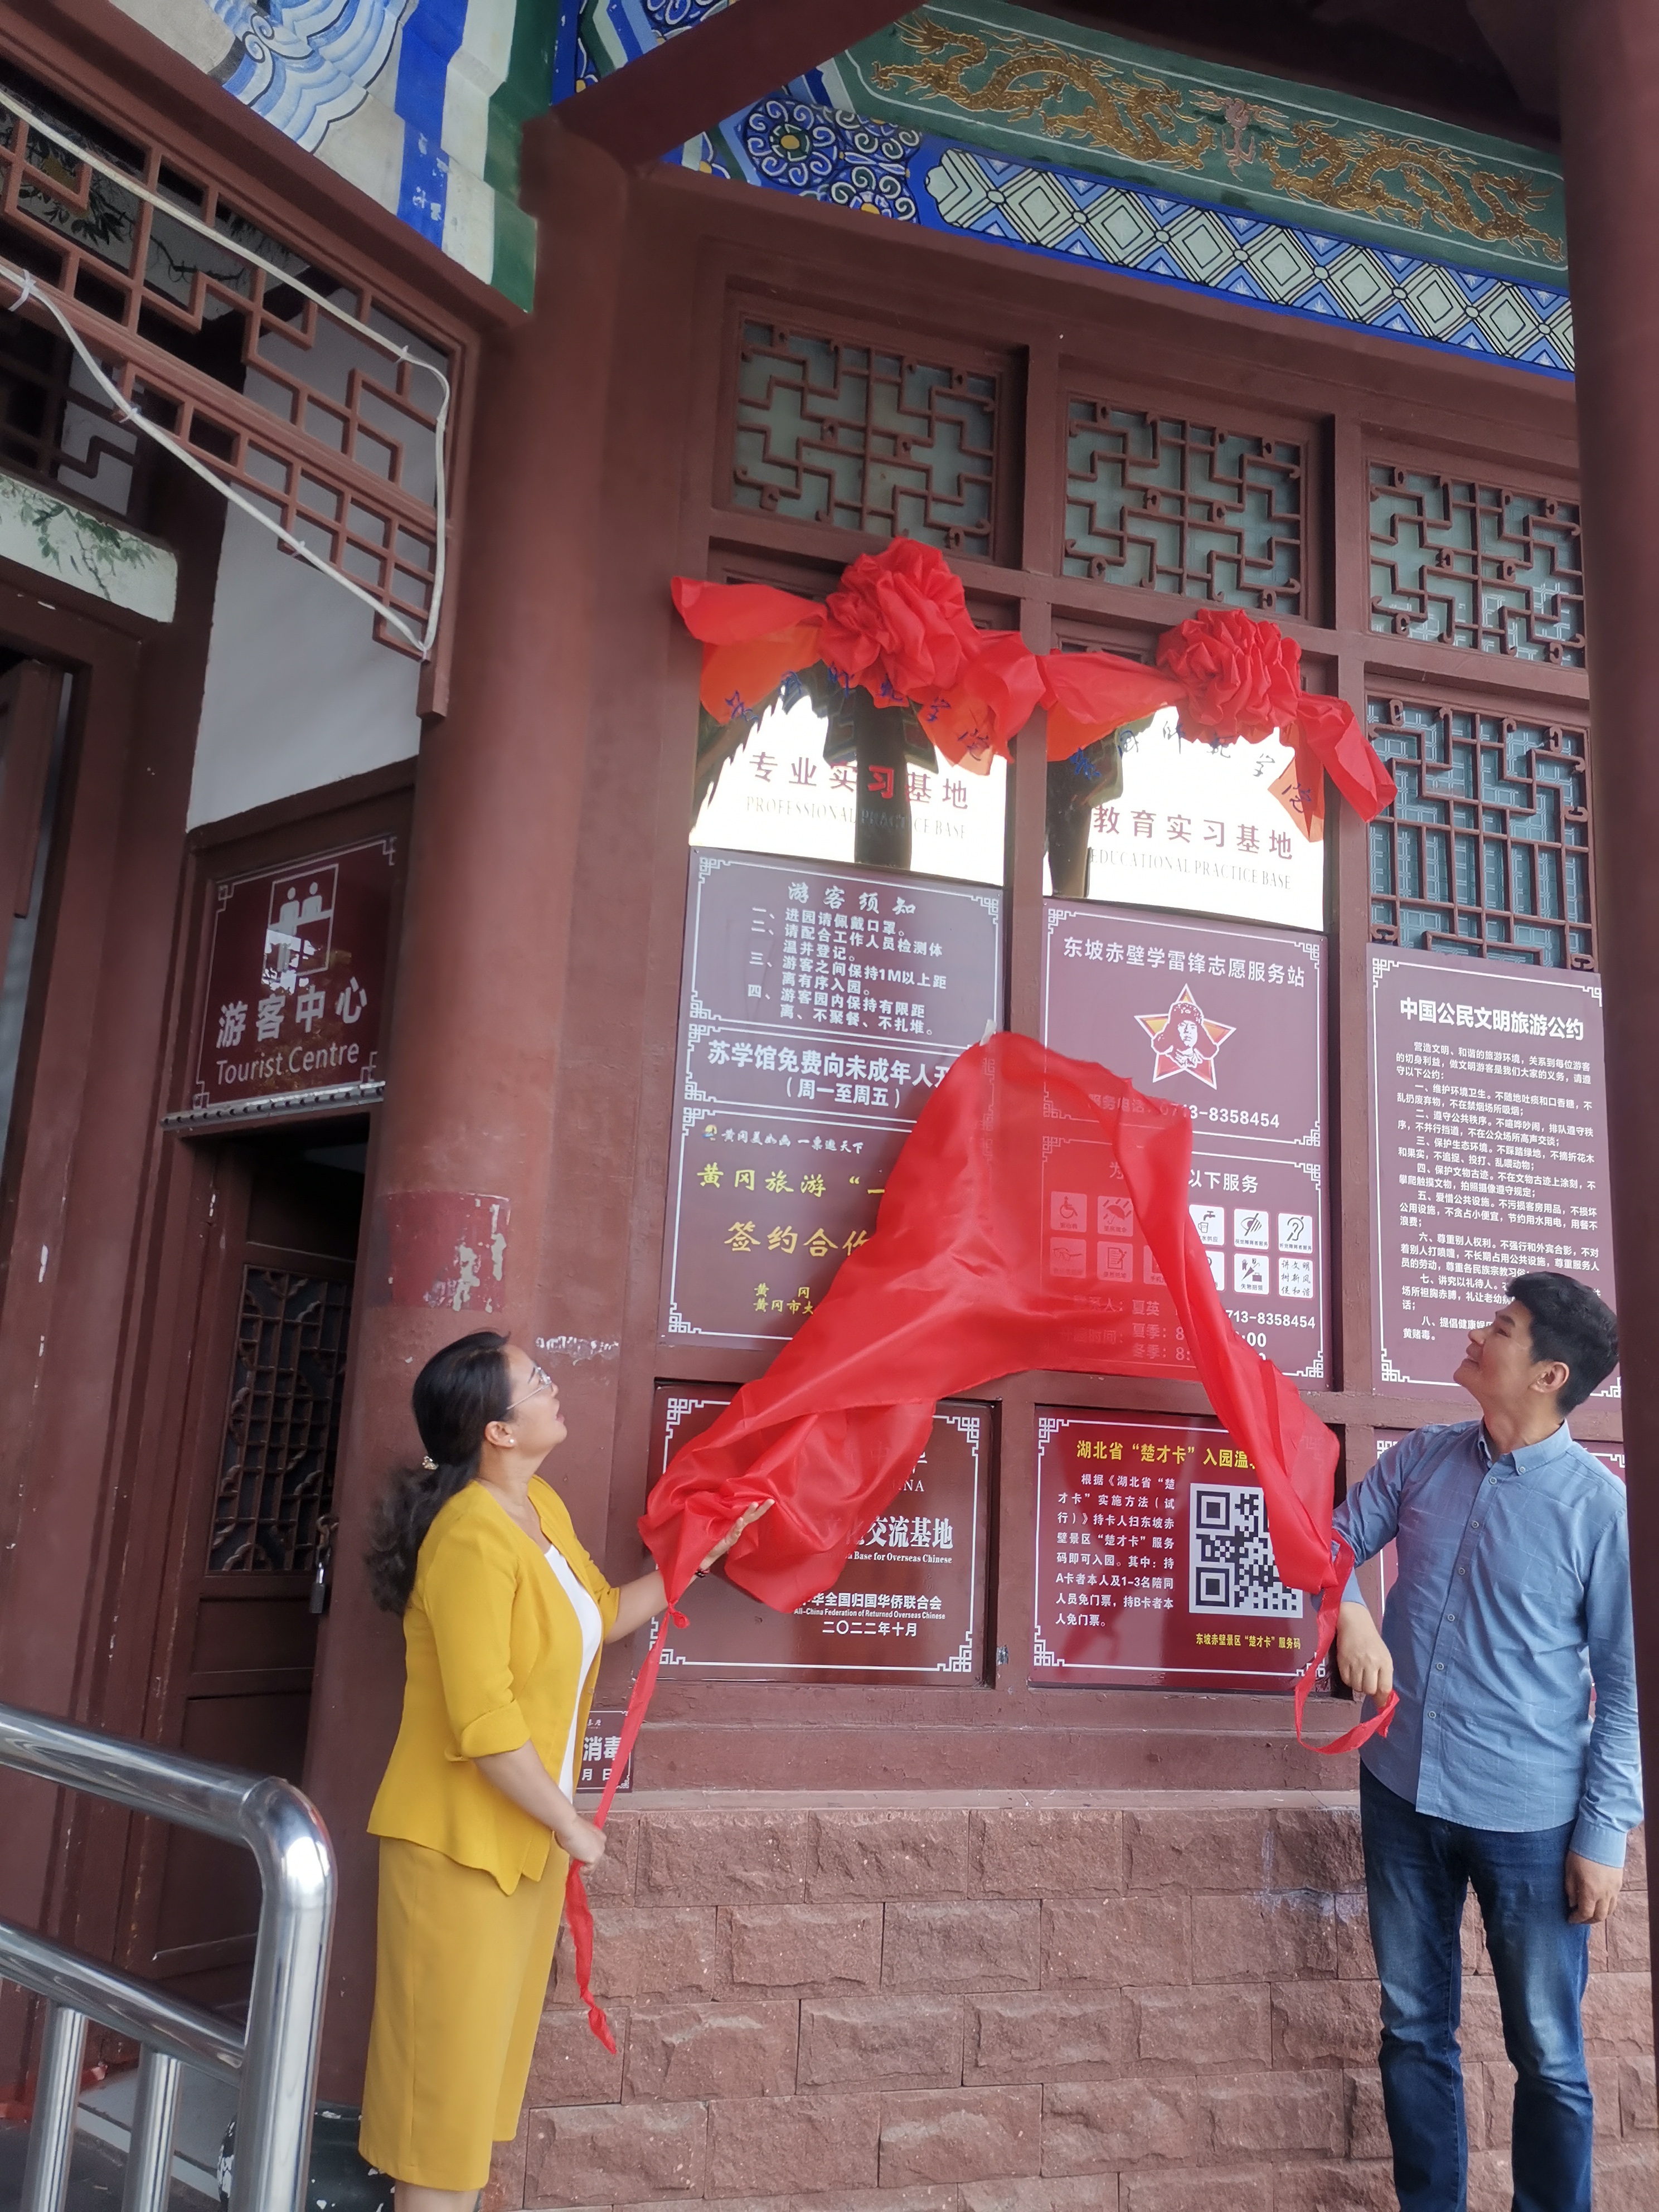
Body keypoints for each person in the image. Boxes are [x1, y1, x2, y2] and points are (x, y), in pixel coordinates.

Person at [357, 1330, 765, 2212]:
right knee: (440, 2122)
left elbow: (605, 1614)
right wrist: (569, 1821)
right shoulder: (470, 1537)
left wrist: (701, 1556)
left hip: (518, 1852)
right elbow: (484, 1723)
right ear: (498, 1431)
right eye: (535, 1381)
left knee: (474, 2104)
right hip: (457, 1852)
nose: (553, 1386)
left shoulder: (535, 1504)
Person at [1333, 1272, 1638, 2212]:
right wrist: (1349, 1612)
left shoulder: (1602, 1511)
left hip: (1532, 1822)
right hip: (1399, 1791)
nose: (1476, 1335)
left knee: (1548, 2054)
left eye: (1500, 1329)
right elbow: (1327, 1545)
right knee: (1412, 2031)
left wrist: (1604, 1834)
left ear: (1549, 1375)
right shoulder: (1425, 1457)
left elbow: (1630, 1686)